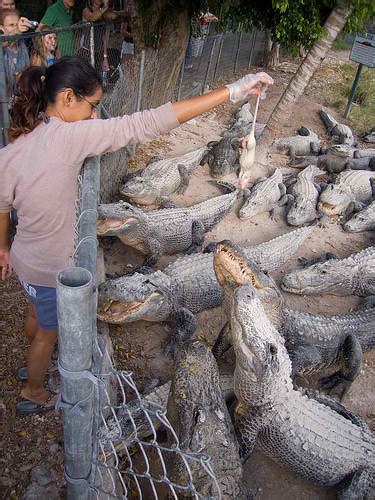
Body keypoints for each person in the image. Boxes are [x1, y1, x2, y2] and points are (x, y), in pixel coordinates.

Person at [0, 56, 273, 415]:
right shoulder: (70, 136)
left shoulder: (14, 149)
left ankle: (31, 357)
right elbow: (151, 121)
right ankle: (32, 389)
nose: (95, 117)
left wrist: (3, 248)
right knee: (48, 332)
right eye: (93, 106)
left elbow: (3, 207)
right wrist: (234, 90)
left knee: (37, 315)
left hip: (23, 259)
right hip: (51, 268)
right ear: (67, 98)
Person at [0, 9, 30, 98]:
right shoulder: (2, 45)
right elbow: (5, 42)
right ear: (1, 27)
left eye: (17, 24)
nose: (15, 27)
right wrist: (17, 30)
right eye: (11, 25)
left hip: (22, 98)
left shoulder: (21, 44)